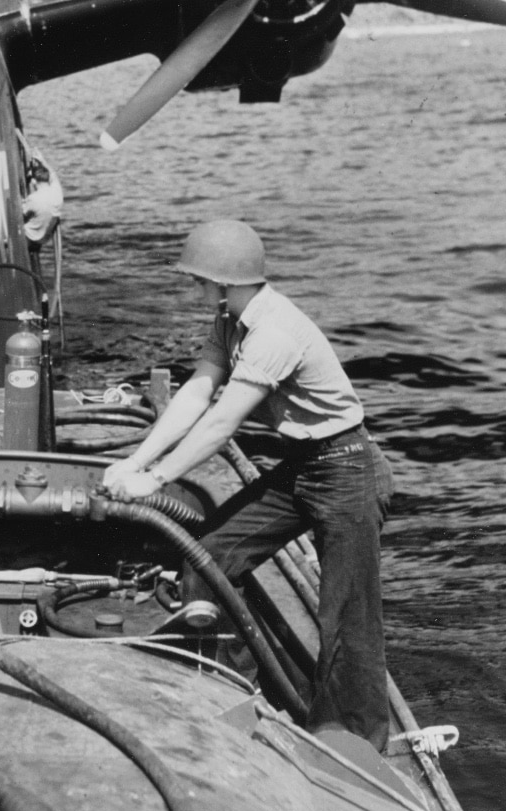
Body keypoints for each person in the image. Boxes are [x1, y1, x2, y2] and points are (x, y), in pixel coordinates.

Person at [103, 220, 393, 752]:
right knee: (208, 559)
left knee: (348, 624)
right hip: (304, 465)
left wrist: (156, 479)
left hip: (347, 468)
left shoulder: (275, 331)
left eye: (199, 281)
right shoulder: (230, 319)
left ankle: (358, 748)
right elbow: (196, 394)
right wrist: (134, 463)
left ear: (223, 281)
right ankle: (239, 692)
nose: (196, 290)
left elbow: (220, 424)